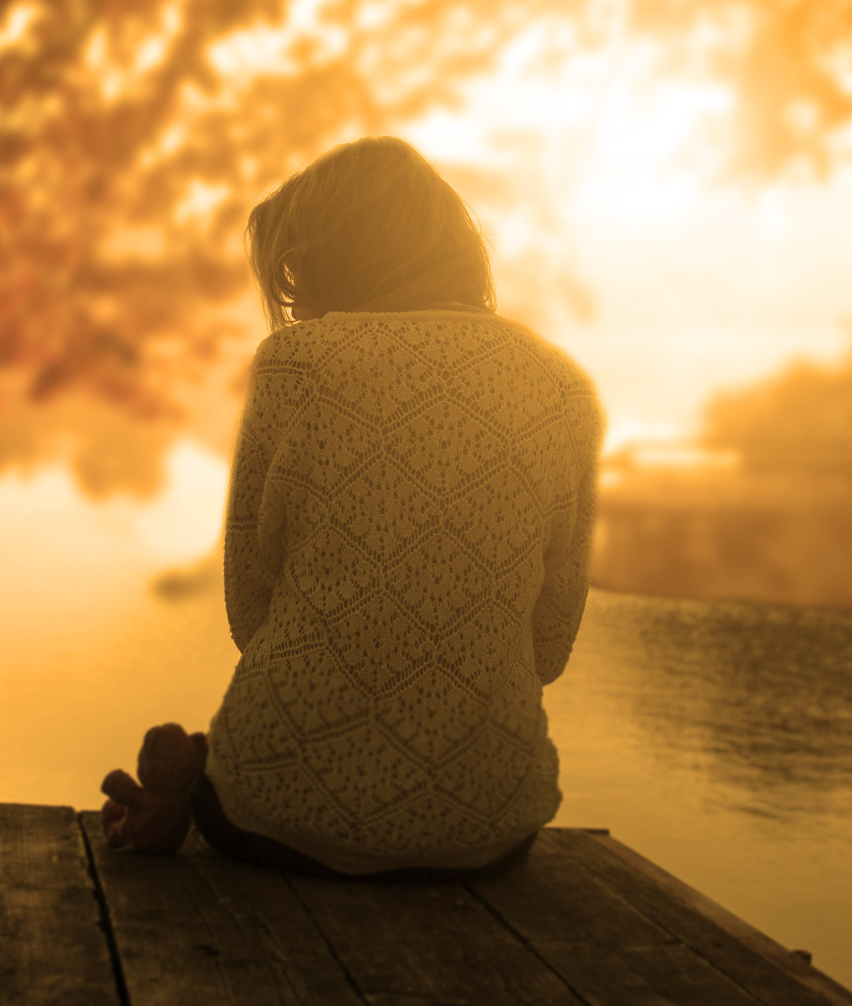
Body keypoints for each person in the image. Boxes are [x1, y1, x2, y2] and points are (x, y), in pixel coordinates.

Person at [102, 135, 603, 879]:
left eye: (296, 270)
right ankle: (203, 777)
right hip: (489, 828)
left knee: (237, 757)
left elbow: (251, 606)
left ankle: (192, 786)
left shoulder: (297, 362)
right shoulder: (563, 385)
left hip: (280, 816)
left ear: (341, 255)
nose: (295, 299)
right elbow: (549, 644)